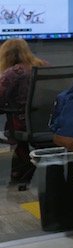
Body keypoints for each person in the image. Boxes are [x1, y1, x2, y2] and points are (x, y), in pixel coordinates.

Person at [0, 38, 47, 186]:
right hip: (48, 123)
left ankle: (19, 176)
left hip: (22, 124)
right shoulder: (43, 66)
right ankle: (21, 175)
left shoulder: (12, 73)